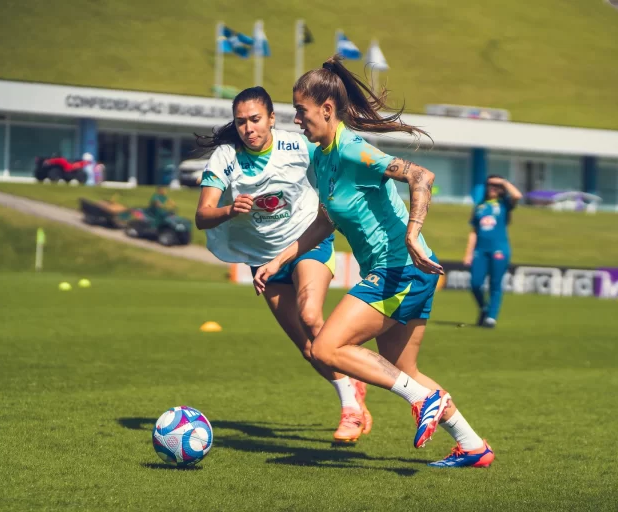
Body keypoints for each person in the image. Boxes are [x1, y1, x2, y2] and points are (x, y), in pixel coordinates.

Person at [254, 56, 494, 468]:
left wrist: (413, 231)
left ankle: (426, 401)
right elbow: (327, 219)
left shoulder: (352, 150)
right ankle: (473, 446)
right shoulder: (322, 157)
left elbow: (422, 177)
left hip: (399, 269)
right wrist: (280, 259)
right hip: (403, 272)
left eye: (300, 111)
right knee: (403, 370)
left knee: (327, 348)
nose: (296, 120)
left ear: (326, 110)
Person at [194, 86, 372, 443]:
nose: (248, 128)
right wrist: (230, 209)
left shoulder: (297, 145)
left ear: (272, 118)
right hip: (264, 262)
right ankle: (351, 384)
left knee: (310, 316)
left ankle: (350, 409)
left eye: (255, 119)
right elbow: (202, 216)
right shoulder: (225, 157)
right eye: (241, 122)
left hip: (308, 243)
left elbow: (336, 155)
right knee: (308, 349)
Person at [463, 175, 522, 328]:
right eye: (490, 184)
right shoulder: (480, 206)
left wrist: (503, 182)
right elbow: (474, 231)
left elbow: (517, 195)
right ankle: (484, 308)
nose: (493, 188)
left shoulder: (504, 204)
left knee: (495, 284)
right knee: (475, 283)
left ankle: (491, 318)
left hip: (499, 249)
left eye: (496, 186)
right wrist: (468, 253)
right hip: (480, 250)